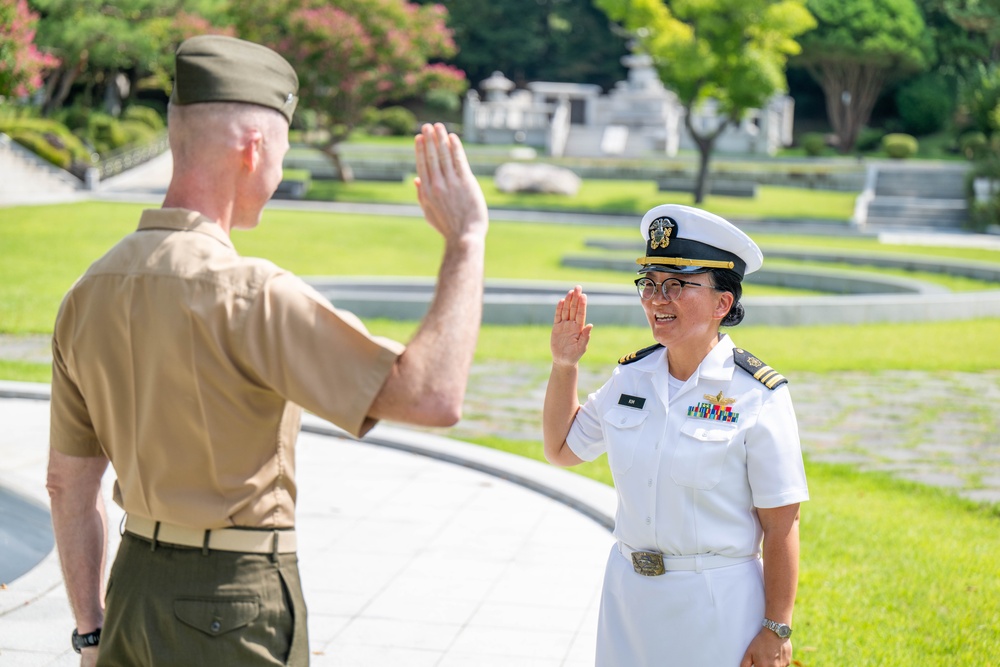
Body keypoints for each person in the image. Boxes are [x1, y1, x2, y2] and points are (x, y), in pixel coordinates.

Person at [45, 35, 489, 666]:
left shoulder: (87, 293)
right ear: (254, 150)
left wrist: (91, 633)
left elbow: (68, 485)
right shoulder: (250, 293)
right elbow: (433, 397)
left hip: (131, 592)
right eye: (281, 150)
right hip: (232, 602)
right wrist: (466, 241)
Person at [543, 204, 808, 667]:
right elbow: (563, 450)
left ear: (722, 303)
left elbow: (782, 523)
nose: (656, 299)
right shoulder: (631, 378)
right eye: (649, 284)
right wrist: (564, 367)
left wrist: (776, 628)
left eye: (676, 285)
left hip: (715, 603)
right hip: (628, 597)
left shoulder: (757, 394)